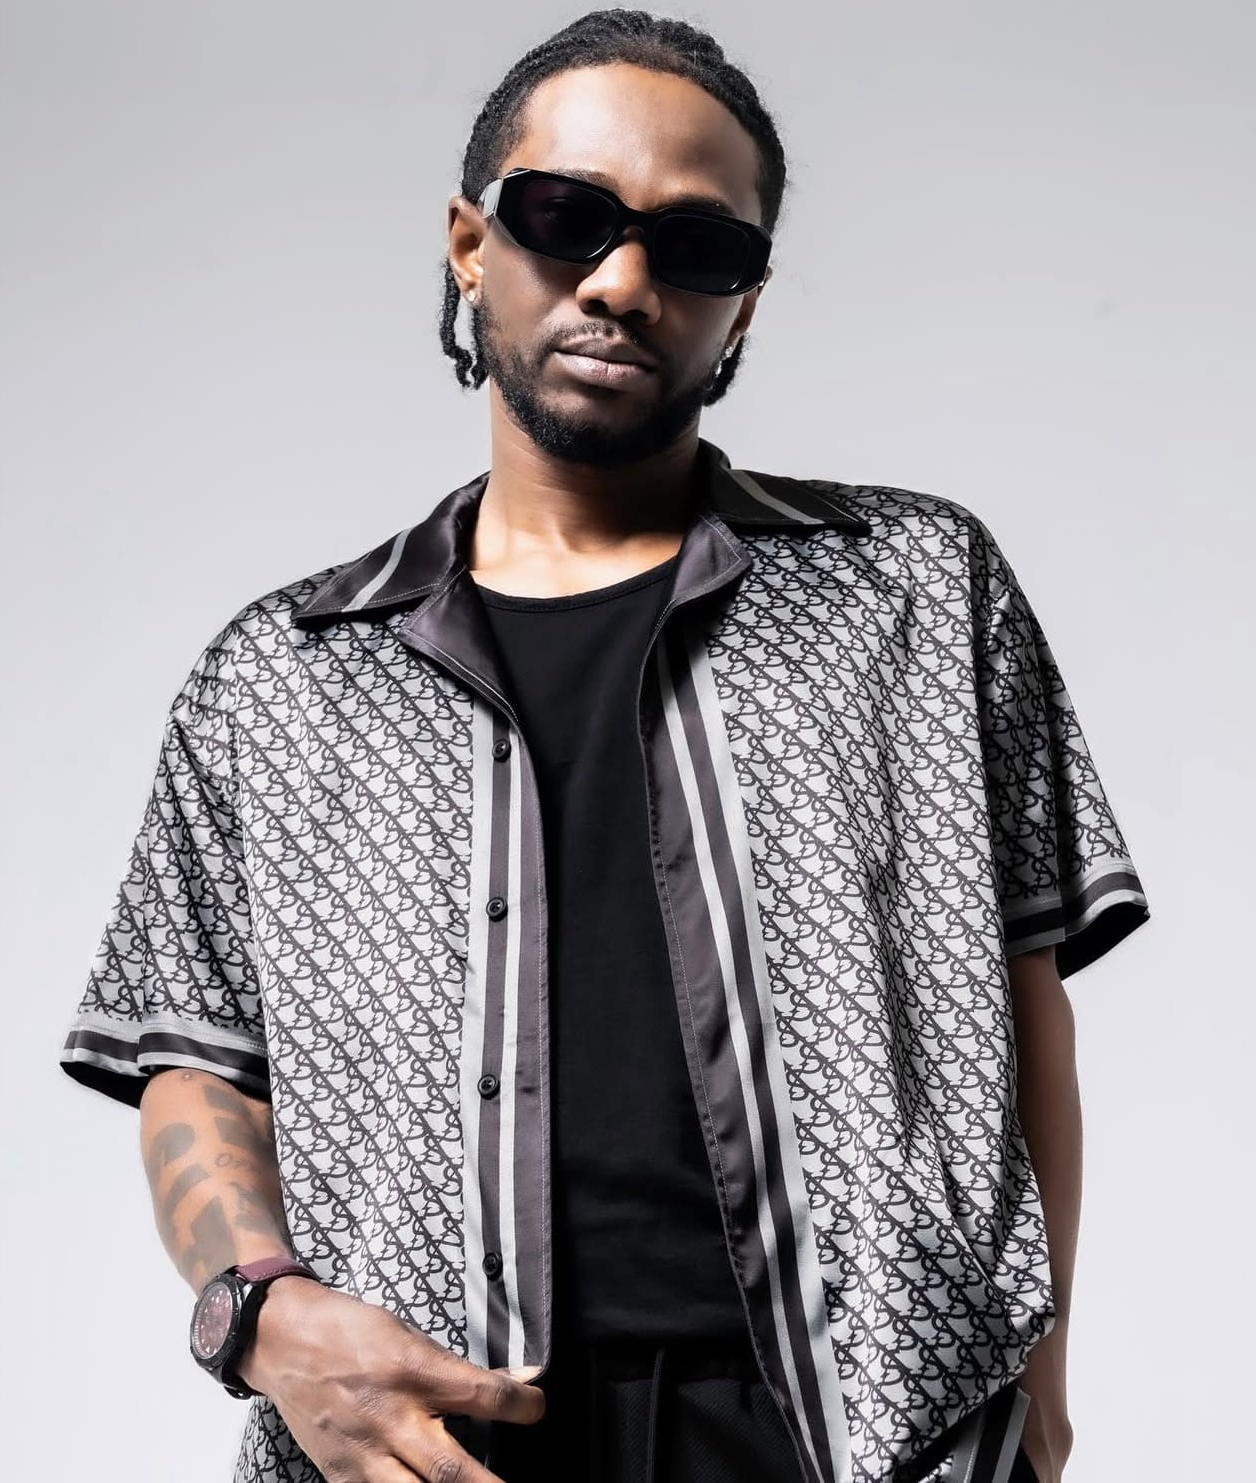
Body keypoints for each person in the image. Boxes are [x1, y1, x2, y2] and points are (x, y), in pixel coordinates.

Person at [58, 11, 1151, 1483]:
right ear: (469, 243)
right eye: (566, 217)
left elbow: (1024, 1012)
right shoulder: (282, 676)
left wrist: (1043, 1395)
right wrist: (264, 1319)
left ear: (743, 307)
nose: (623, 282)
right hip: (438, 1437)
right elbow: (194, 1065)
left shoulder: (914, 589)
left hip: (863, 1433)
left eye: (697, 246)